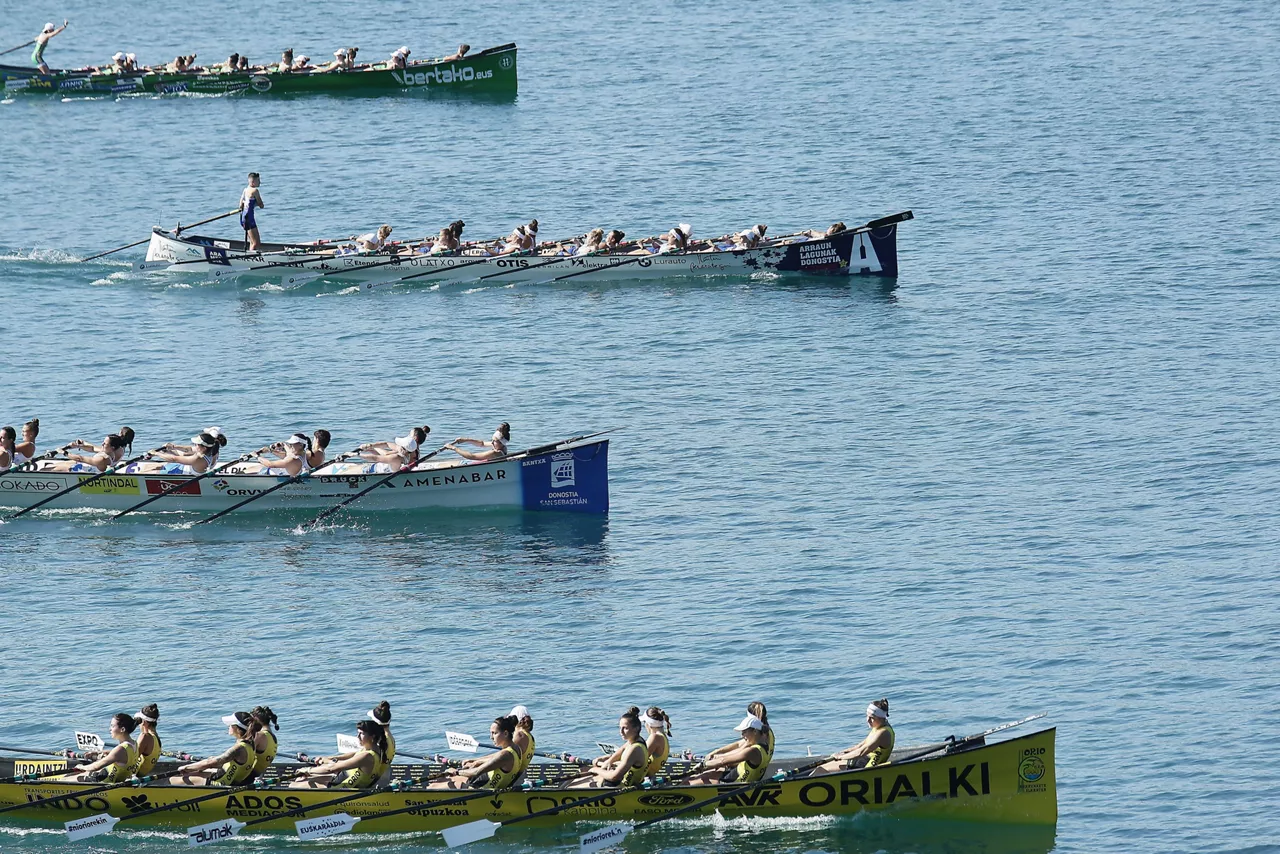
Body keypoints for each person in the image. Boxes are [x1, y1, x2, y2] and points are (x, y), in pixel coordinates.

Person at [432, 715, 521, 790]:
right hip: (483, 781)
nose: (491, 737)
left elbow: (476, 772)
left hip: (480, 790)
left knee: (433, 786)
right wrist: (473, 761)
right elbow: (492, 757)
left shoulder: (505, 755)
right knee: (446, 775)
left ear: (505, 733)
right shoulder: (515, 748)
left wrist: (457, 772)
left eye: (494, 733)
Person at [293, 720, 388, 788]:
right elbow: (351, 755)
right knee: (301, 778)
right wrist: (328, 758)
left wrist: (307, 770)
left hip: (341, 788)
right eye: (357, 733)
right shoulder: (374, 748)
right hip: (342, 777)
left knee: (294, 784)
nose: (357, 736)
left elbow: (332, 769)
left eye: (361, 734)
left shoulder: (367, 756)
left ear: (372, 736)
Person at [569, 708, 649, 788]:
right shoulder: (635, 740)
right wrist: (608, 760)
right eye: (620, 727)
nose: (621, 731)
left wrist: (595, 769)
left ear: (636, 728)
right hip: (618, 780)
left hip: (620, 786)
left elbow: (614, 777)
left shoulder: (635, 749)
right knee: (582, 771)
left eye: (625, 728)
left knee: (573, 786)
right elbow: (621, 751)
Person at [170, 712, 257, 786]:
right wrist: (196, 769)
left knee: (173, 780)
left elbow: (209, 763)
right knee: (197, 772)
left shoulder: (238, 749)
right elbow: (221, 763)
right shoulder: (250, 745)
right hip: (229, 781)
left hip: (220, 784)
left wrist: (186, 767)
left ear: (237, 729)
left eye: (231, 725)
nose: (228, 726)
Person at [687, 711, 774, 784]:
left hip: (735, 783)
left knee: (689, 781)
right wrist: (715, 757)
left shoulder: (753, 751)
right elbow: (731, 755)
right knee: (704, 774)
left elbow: (723, 761)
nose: (741, 736)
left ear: (755, 731)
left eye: (744, 732)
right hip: (736, 773)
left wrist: (703, 765)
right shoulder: (764, 744)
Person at [812, 699, 894, 773]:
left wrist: (841, 757)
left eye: (871, 718)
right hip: (861, 761)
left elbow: (860, 752)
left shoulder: (883, 733)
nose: (867, 720)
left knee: (820, 770)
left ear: (880, 718)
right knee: (821, 767)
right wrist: (843, 752)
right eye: (867, 716)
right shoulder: (878, 727)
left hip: (867, 768)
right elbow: (860, 746)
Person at [63, 714, 138, 783]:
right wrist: (98, 752)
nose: (110, 729)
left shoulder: (120, 749)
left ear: (122, 729)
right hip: (112, 776)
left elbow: (96, 767)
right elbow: (119, 754)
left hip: (104, 781)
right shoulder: (134, 743)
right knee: (84, 772)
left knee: (64, 779)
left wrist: (81, 767)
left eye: (112, 726)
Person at [126, 431, 218, 475]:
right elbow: (189, 449)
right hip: (183, 468)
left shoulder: (199, 458)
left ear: (204, 447)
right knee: (150, 466)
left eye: (197, 444)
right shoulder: (211, 450)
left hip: (181, 473)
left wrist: (156, 453)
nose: (194, 445)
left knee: (145, 473)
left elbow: (174, 459)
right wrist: (174, 447)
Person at [352, 426, 429, 472]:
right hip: (384, 465)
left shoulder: (405, 451)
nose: (407, 435)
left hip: (375, 469)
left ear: (414, 438)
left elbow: (377, 457)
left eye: (409, 434)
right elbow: (386, 446)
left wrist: (356, 454)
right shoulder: (409, 449)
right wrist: (371, 446)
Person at [38, 433, 126, 473]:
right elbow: (91, 448)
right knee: (48, 465)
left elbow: (81, 458)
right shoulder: (109, 452)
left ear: (112, 447)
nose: (102, 444)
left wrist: (64, 453)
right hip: (82, 466)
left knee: (44, 470)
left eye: (105, 443)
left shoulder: (102, 459)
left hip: (80, 471)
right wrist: (79, 445)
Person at [247, 706, 280, 781]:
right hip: (258, 773)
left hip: (249, 776)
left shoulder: (260, 736)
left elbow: (244, 751)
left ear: (256, 720)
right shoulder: (273, 737)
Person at [640, 707, 671, 779]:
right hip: (650, 774)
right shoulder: (663, 736)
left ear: (648, 724)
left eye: (644, 722)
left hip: (641, 777)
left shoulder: (655, 738)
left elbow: (638, 759)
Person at [132, 704, 163, 776]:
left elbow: (131, 759)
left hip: (132, 777)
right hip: (141, 775)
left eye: (139, 721)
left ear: (144, 722)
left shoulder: (145, 737)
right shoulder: (157, 738)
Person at [238, 172, 265, 251]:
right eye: (258, 180)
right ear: (253, 182)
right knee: (256, 243)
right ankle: (250, 258)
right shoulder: (255, 191)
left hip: (243, 217)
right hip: (249, 219)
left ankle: (250, 254)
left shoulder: (245, 190)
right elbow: (261, 205)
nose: (260, 182)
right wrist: (257, 204)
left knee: (252, 242)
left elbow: (240, 206)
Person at [509, 705, 536, 780]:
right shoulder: (529, 736)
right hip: (521, 774)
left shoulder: (519, 736)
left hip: (513, 777)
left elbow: (506, 757)